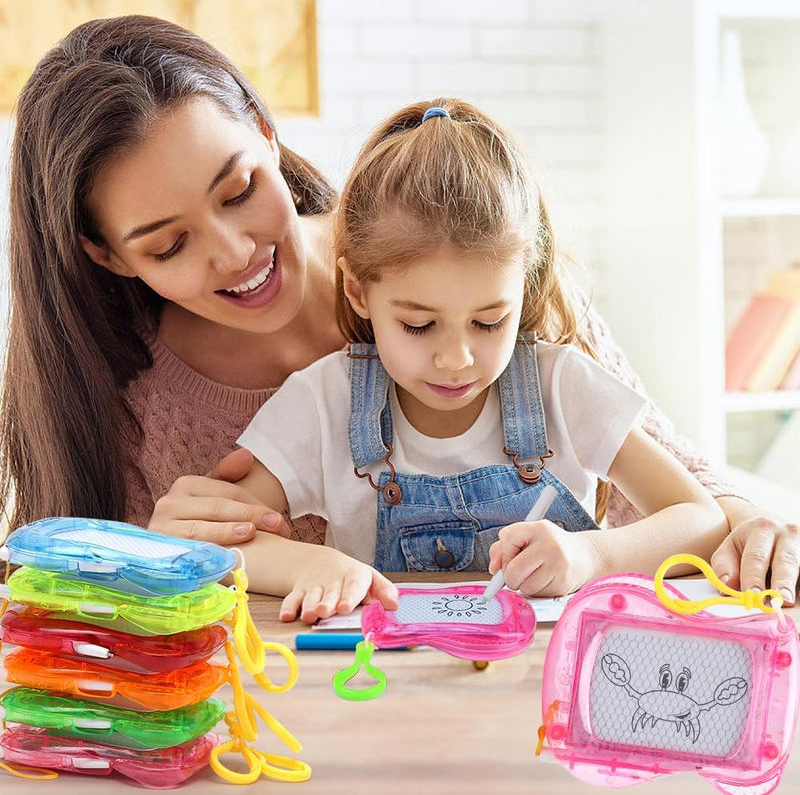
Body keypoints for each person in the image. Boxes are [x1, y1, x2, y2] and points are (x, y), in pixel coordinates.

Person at [0, 16, 796, 607]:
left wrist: (746, 523)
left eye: (240, 189)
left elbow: (687, 495)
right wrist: (157, 553)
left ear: (268, 133)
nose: (234, 251)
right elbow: (128, 609)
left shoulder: (464, 256)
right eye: (169, 245)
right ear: (106, 255)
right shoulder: (130, 401)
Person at [187, 97, 734, 621]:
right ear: (357, 293)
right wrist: (309, 563)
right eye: (418, 325)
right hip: (384, 687)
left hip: (547, 681)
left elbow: (701, 519)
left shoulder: (560, 387)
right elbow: (214, 543)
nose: (456, 359)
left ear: (525, 288)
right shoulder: (324, 401)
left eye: (490, 321)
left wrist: (593, 556)